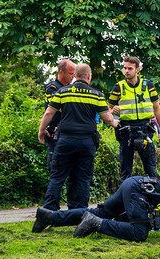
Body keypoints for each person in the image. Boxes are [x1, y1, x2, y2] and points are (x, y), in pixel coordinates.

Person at [32, 176, 160, 245]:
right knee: (139, 233)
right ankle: (96, 224)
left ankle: (49, 216)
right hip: (138, 192)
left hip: (134, 184)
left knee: (102, 211)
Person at [37, 64, 119, 215]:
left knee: (57, 177)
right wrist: (115, 122)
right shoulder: (96, 95)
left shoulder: (62, 92)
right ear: (89, 77)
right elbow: (107, 118)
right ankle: (78, 213)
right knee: (82, 178)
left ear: (75, 75)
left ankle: (48, 212)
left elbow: (49, 113)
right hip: (87, 143)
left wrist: (41, 131)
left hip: (65, 141)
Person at [108, 56, 160, 181]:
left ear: (138, 69)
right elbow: (107, 110)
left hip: (145, 129)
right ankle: (125, 196)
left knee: (150, 167)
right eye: (125, 68)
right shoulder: (118, 87)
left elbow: (157, 109)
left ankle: (153, 195)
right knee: (125, 168)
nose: (126, 71)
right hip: (126, 129)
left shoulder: (148, 86)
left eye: (130, 68)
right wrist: (112, 111)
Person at [42, 59, 76, 172]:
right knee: (55, 170)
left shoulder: (72, 89)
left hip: (70, 134)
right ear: (61, 72)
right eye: (71, 73)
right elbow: (55, 110)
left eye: (74, 74)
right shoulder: (52, 88)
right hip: (55, 134)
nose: (73, 76)